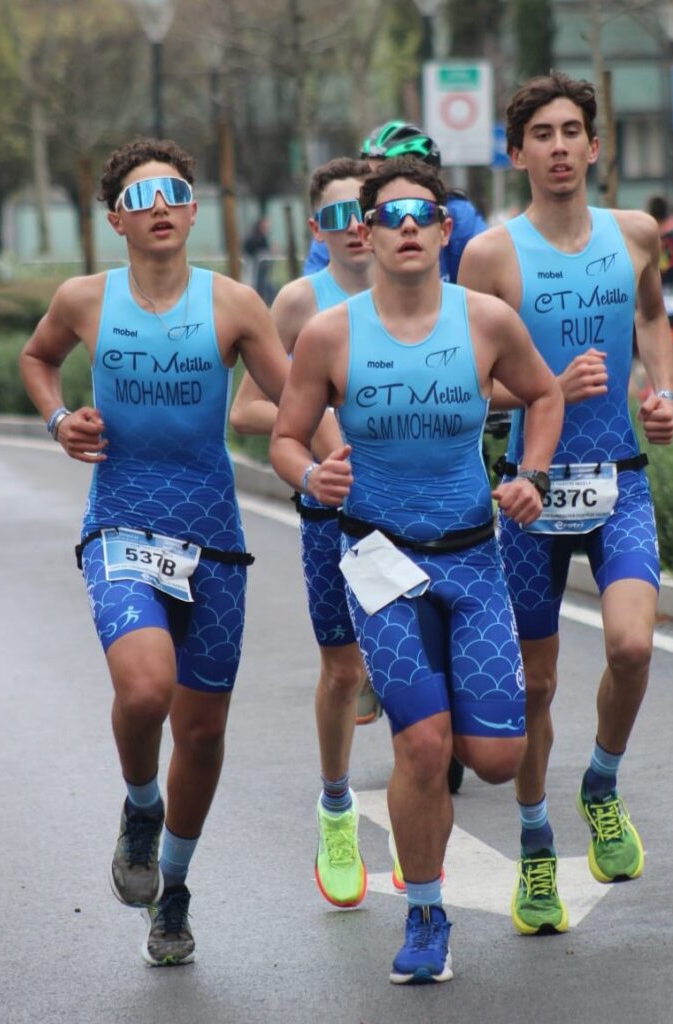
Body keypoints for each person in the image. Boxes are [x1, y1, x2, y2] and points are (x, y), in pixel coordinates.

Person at [270, 157, 564, 983]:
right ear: (363, 233)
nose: (406, 226)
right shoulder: (330, 333)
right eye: (389, 215)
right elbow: (286, 436)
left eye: (422, 214)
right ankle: (426, 911)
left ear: (443, 231)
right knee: (424, 747)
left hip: (473, 559)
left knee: (495, 758)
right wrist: (309, 475)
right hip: (378, 561)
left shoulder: (487, 320)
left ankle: (439, 854)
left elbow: (543, 397)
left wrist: (529, 477)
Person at [19, 138, 289, 966]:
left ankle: (171, 889)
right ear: (115, 221)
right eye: (142, 197)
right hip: (122, 523)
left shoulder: (236, 304)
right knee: (146, 691)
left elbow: (295, 396)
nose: (160, 205)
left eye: (174, 191)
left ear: (194, 208)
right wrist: (59, 418)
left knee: (202, 735)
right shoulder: (85, 299)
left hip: (213, 534)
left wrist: (338, 459)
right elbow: (37, 359)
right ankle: (141, 805)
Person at [459, 71, 673, 938]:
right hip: (531, 491)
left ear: (594, 145)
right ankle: (536, 845)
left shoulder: (635, 234)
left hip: (619, 473)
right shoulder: (490, 256)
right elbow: (468, 387)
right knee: (537, 684)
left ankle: (602, 783)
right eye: (539, 134)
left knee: (630, 644)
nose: (557, 146)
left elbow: (653, 316)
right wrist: (544, 387)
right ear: (516, 154)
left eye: (570, 131)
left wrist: (662, 392)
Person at [229, 157, 379, 910]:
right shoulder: (296, 303)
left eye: (366, 210)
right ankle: (335, 807)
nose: (355, 226)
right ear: (316, 229)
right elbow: (248, 411)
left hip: (422, 514)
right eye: (336, 215)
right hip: (332, 511)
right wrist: (319, 441)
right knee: (344, 672)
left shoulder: (433, 292)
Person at [303, 121, 488, 283]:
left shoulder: (458, 214)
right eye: (368, 175)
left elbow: (485, 277)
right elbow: (317, 284)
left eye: (387, 175)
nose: (374, 185)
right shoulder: (342, 223)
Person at [646, 195, 673, 412]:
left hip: (649, 303)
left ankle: (651, 397)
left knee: (649, 357)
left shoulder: (645, 238)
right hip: (672, 302)